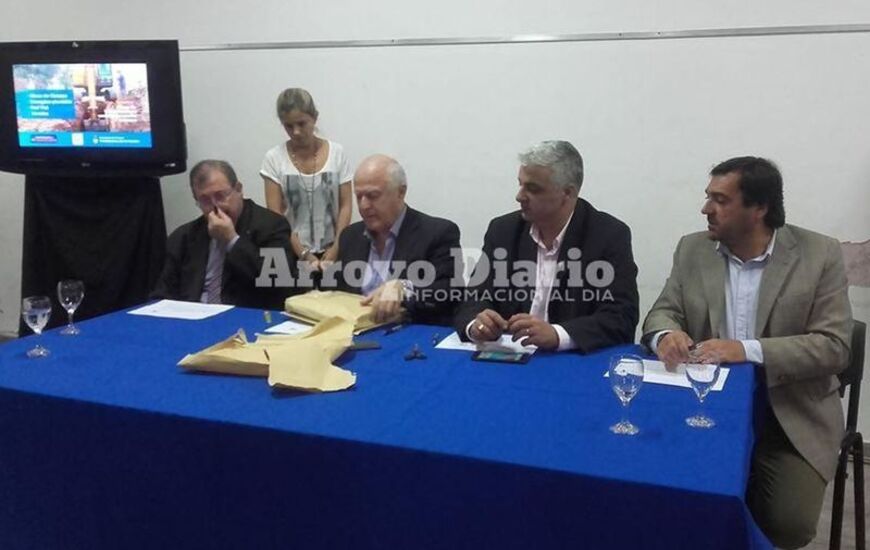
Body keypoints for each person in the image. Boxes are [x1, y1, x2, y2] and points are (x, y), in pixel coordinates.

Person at [642, 156, 852, 549]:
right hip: (704, 412)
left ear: (760, 208)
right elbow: (662, 311)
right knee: (668, 500)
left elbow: (834, 347)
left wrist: (746, 350)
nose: (706, 209)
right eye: (708, 197)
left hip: (789, 416)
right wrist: (666, 333)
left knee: (788, 523)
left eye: (720, 200)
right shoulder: (693, 249)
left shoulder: (818, 254)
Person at [453, 140, 639, 352]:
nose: (519, 196)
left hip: (571, 363)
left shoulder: (608, 235)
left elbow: (621, 317)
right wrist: (476, 325)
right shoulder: (503, 230)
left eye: (532, 189)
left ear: (567, 193)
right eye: (520, 184)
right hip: (510, 356)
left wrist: (558, 334)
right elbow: (473, 298)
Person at [329, 154, 461, 324]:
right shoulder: (350, 236)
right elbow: (337, 294)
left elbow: (449, 291)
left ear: (401, 192)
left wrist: (404, 288)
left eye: (373, 196)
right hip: (354, 333)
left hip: (409, 333)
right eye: (359, 196)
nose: (363, 206)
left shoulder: (437, 233)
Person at [152, 160, 295, 310]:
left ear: (238, 189)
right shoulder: (183, 237)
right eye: (205, 200)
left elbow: (279, 284)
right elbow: (163, 293)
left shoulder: (271, 225)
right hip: (193, 317)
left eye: (220, 196)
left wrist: (232, 240)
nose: (215, 206)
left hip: (243, 318)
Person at [261, 88, 352, 279]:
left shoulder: (337, 153)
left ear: (314, 118)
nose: (296, 132)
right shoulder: (274, 158)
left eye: (302, 123)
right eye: (288, 126)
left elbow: (345, 205)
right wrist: (304, 254)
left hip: (334, 251)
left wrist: (336, 247)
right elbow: (276, 217)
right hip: (292, 254)